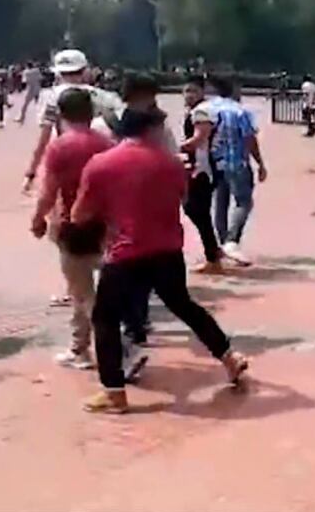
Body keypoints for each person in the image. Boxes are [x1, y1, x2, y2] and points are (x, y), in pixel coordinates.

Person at [71, 108, 249, 414]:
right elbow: (180, 198)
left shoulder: (101, 164)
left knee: (105, 318)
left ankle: (114, 392)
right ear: (150, 130)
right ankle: (229, 357)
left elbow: (80, 214)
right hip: (167, 250)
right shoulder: (171, 164)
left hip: (126, 252)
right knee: (185, 306)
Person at [30, 89, 114, 370]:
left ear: (61, 115)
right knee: (88, 292)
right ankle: (80, 349)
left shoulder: (60, 146)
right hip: (104, 226)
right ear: (91, 114)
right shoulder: (106, 143)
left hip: (72, 226)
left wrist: (38, 219)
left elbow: (49, 190)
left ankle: (117, 351)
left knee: (82, 294)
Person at [22, 49, 123, 195]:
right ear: (84, 70)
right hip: (99, 156)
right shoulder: (105, 96)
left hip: (61, 158)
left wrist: (31, 172)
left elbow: (44, 137)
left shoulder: (49, 96)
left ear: (57, 73)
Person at [209, 75, 268, 266]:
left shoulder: (208, 109)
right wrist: (260, 163)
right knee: (244, 202)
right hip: (237, 163)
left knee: (220, 203)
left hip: (214, 164)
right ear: (233, 89)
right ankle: (231, 241)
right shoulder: (240, 112)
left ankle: (222, 243)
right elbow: (250, 139)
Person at [181, 76, 223, 274]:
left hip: (203, 168)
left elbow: (200, 138)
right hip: (199, 166)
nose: (188, 95)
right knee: (199, 211)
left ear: (202, 92)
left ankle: (213, 256)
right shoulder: (196, 111)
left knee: (194, 209)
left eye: (193, 91)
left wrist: (171, 147)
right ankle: (213, 252)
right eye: (186, 90)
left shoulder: (202, 112)